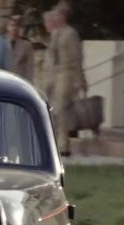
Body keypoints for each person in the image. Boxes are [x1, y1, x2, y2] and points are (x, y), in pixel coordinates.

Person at [42, 7, 85, 157]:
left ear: (63, 16)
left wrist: (79, 79)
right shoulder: (55, 33)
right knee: (52, 108)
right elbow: (51, 55)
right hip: (55, 73)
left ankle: (63, 144)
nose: (54, 17)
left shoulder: (70, 33)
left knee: (61, 108)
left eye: (56, 14)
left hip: (67, 72)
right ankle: (54, 142)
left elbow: (77, 57)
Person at [6, 15, 34, 82]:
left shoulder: (26, 45)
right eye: (12, 25)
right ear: (8, 27)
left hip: (21, 81)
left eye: (17, 25)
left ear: (20, 28)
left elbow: (30, 67)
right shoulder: (2, 44)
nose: (14, 28)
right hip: (6, 81)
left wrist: (29, 82)